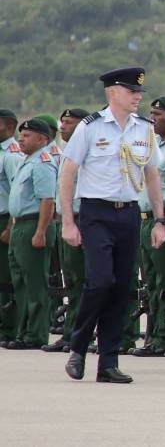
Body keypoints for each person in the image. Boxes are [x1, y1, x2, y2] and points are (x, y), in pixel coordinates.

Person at [60, 67, 165, 384]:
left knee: (122, 287)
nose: (137, 97)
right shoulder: (90, 128)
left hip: (129, 213)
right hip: (96, 213)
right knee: (100, 281)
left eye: (139, 92)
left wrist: (159, 220)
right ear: (112, 92)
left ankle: (108, 361)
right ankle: (78, 346)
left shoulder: (144, 129)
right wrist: (68, 221)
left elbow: (152, 175)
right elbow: (67, 174)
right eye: (131, 90)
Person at [132, 95, 165, 357]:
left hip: (164, 220)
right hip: (145, 220)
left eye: (158, 114)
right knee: (151, 281)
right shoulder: (151, 143)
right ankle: (154, 335)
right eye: (151, 113)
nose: (152, 118)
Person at [4, 118, 58, 348]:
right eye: (21, 135)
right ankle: (23, 331)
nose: (20, 139)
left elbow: (47, 200)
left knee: (35, 283)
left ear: (42, 139)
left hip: (34, 224)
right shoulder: (27, 161)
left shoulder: (43, 163)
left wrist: (41, 232)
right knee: (20, 281)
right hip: (19, 225)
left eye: (26, 136)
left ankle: (36, 334)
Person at [43, 108, 90, 353]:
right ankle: (71, 333)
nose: (63, 127)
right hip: (66, 220)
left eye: (69, 123)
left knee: (81, 279)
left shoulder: (85, 153)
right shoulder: (66, 152)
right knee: (71, 280)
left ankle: (81, 334)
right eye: (62, 122)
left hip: (81, 220)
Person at [0, 109, 23, 345]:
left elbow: (17, 194)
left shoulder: (12, 154)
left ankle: (9, 327)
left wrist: (9, 226)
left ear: (7, 126)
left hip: (6, 219)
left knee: (6, 278)